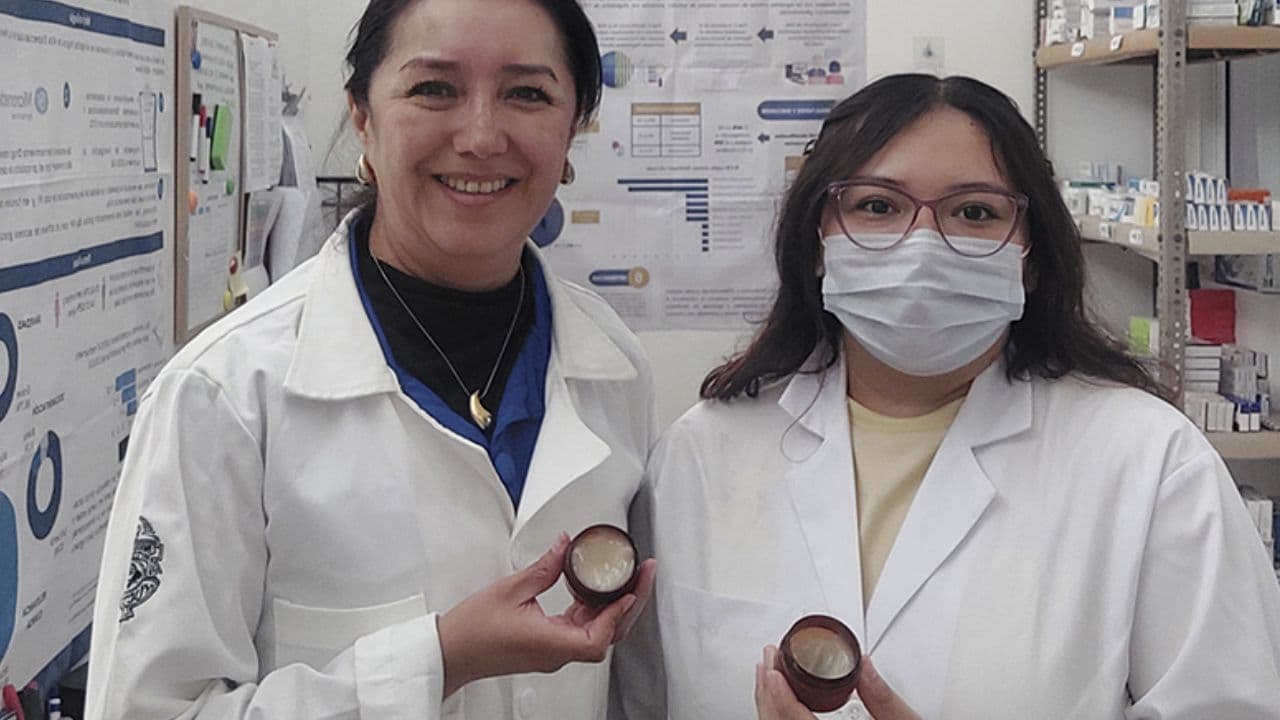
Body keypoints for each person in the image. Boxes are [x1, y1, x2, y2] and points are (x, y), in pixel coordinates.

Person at [614, 74, 1280, 719]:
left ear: (1032, 255)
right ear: (817, 241)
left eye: (975, 213)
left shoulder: (1151, 463)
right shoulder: (702, 455)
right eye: (878, 206)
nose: (923, 246)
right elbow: (638, 703)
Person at [87, 1, 656, 718]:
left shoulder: (616, 367)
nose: (481, 137)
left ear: (573, 127)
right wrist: (438, 662)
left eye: (527, 94)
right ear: (363, 115)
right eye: (434, 89)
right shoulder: (222, 392)